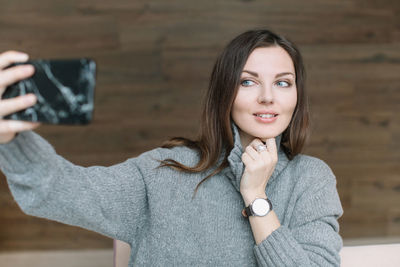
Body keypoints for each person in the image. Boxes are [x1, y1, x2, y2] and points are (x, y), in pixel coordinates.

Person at [0, 29, 343, 266]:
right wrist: (8, 140)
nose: (268, 96)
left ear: (297, 96)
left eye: (283, 82)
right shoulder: (162, 171)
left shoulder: (312, 179)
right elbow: (60, 190)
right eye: (248, 81)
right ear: (225, 92)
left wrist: (256, 198)